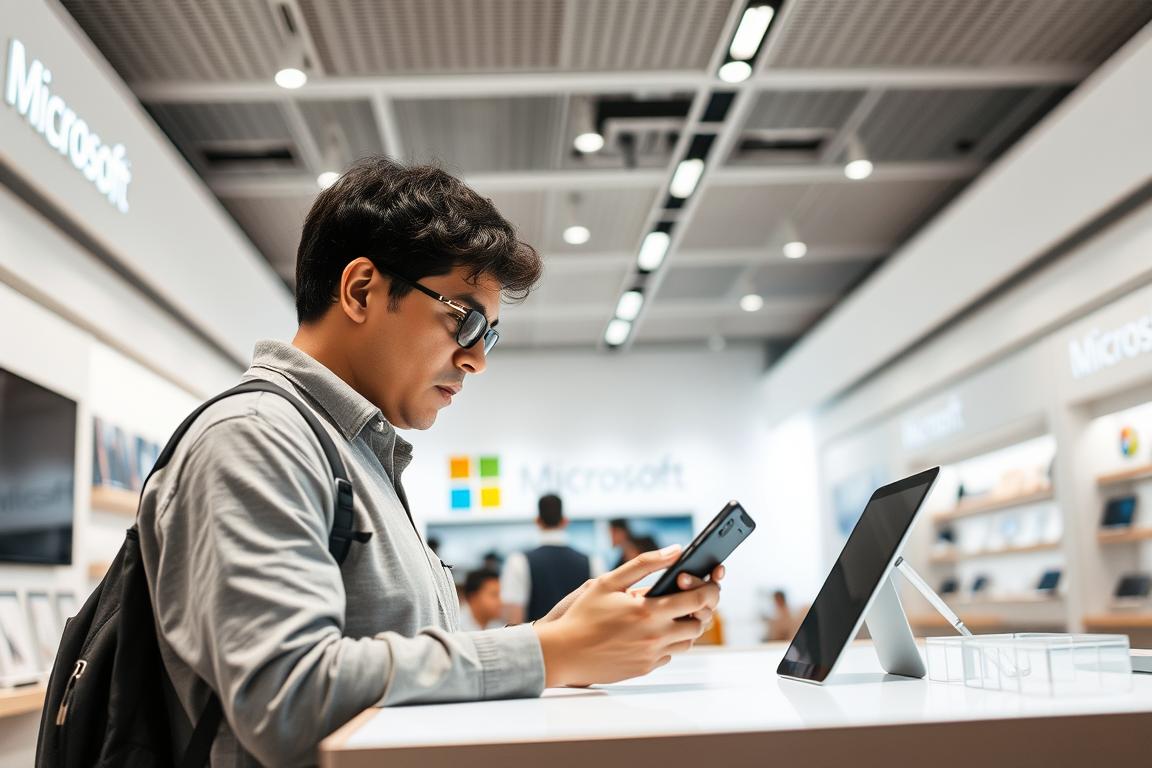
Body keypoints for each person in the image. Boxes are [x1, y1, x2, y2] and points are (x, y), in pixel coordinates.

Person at [136, 157, 723, 767]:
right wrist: (548, 653)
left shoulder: (354, 451)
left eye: (489, 335)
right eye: (465, 319)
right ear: (361, 290)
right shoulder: (256, 437)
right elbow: (288, 697)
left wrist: (552, 635)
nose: (477, 360)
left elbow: (400, 663)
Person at [501, 494, 591, 625]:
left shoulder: (519, 561)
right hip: (581, 643)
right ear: (565, 521)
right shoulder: (590, 561)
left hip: (540, 643)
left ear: (537, 521)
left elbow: (513, 619)